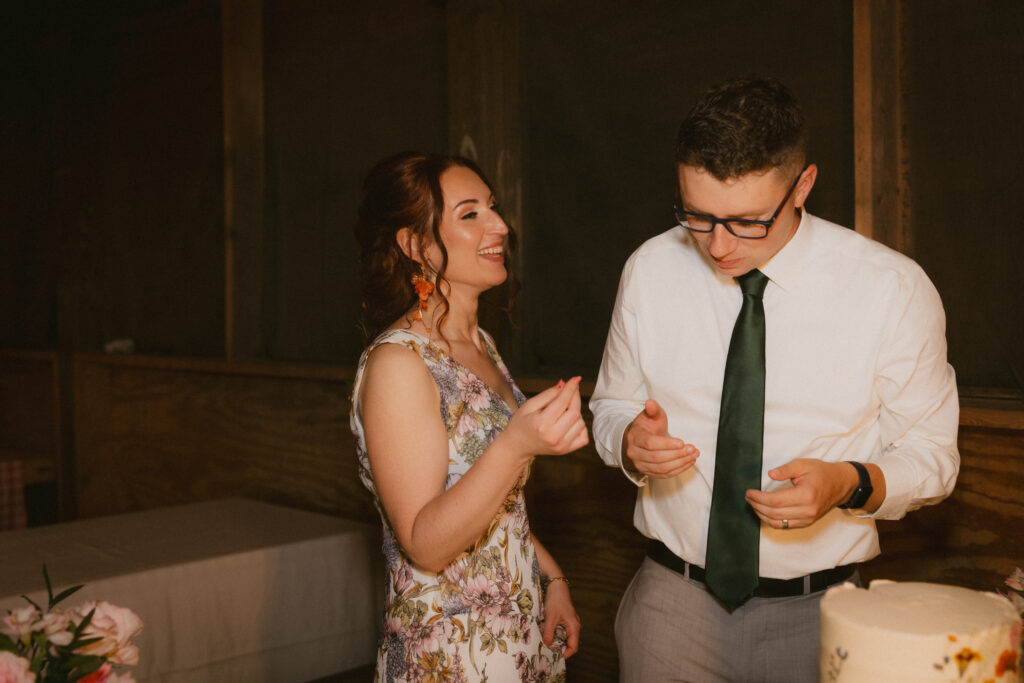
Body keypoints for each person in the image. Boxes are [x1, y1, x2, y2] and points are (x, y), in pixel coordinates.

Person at [590, 76, 960, 682]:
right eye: (697, 215)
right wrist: (627, 439)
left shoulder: (891, 289)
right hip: (670, 605)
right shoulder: (651, 268)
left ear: (803, 185)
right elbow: (610, 404)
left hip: (821, 613)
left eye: (746, 221)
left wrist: (848, 482)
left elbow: (933, 457)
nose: (716, 243)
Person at [350, 151, 586, 682]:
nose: (500, 224)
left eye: (493, 208)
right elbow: (425, 542)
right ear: (415, 245)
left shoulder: (481, 343)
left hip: (520, 641)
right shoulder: (400, 363)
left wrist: (554, 580)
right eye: (470, 213)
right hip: (452, 655)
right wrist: (517, 444)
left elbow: (498, 507)